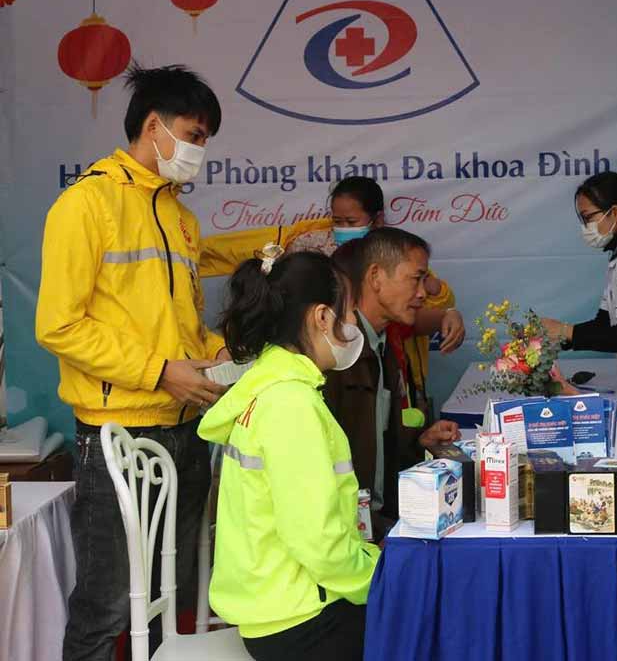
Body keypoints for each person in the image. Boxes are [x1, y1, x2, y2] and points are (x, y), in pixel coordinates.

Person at [36, 64, 321, 661]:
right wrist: (161, 370)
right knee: (108, 603)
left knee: (172, 596)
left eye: (204, 141)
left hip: (186, 426)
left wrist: (220, 359)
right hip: (118, 437)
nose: (198, 151)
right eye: (193, 136)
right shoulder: (84, 204)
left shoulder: (179, 217)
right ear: (152, 127)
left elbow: (182, 322)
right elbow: (57, 325)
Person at [198, 250, 379, 660]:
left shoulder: (267, 388)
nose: (353, 327)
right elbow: (316, 541)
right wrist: (377, 577)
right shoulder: (291, 405)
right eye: (348, 314)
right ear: (320, 317)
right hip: (302, 619)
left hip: (278, 605)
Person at [326, 229, 462, 533]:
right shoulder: (335, 357)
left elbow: (376, 441)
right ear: (375, 277)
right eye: (415, 279)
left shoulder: (383, 344)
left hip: (377, 522)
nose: (422, 294)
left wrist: (418, 442)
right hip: (345, 532)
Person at [285, 175, 465, 393]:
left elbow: (407, 319)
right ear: (374, 277)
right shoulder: (343, 364)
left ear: (377, 219)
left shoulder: (385, 334)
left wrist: (447, 313)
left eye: (351, 222)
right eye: (338, 221)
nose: (420, 294)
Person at [541, 172, 617, 399]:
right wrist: (560, 338)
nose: (586, 227)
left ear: (615, 213)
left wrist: (566, 331)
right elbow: (604, 323)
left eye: (588, 217)